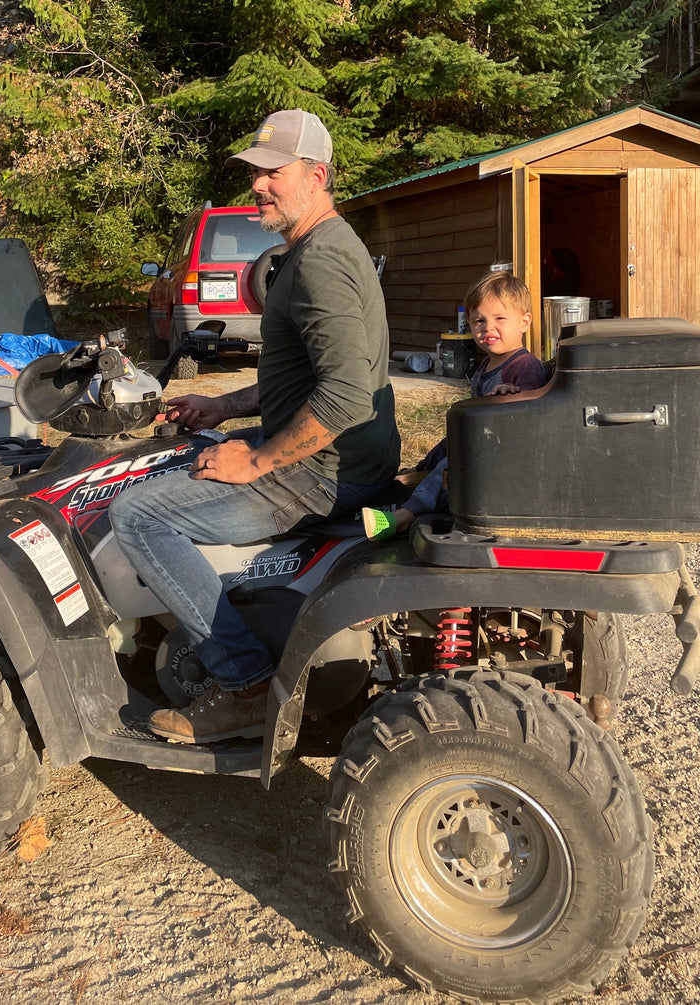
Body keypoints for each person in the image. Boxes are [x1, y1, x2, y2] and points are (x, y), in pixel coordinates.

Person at [109, 109, 400, 744]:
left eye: (273, 172)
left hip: (321, 475)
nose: (258, 185)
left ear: (316, 175)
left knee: (137, 514)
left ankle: (242, 683)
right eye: (255, 174)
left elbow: (347, 394)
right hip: (333, 462)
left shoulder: (322, 260)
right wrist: (228, 407)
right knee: (189, 456)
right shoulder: (314, 250)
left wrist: (259, 460)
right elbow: (306, 377)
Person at [361, 271, 546, 539]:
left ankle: (403, 517)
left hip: (504, 455)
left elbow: (534, 411)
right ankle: (416, 475)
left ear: (524, 322)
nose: (488, 328)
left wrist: (515, 395)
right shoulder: (485, 365)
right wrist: (424, 463)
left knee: (451, 466)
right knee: (448, 447)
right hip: (479, 441)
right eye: (479, 320)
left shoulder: (524, 366)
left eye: (499, 319)